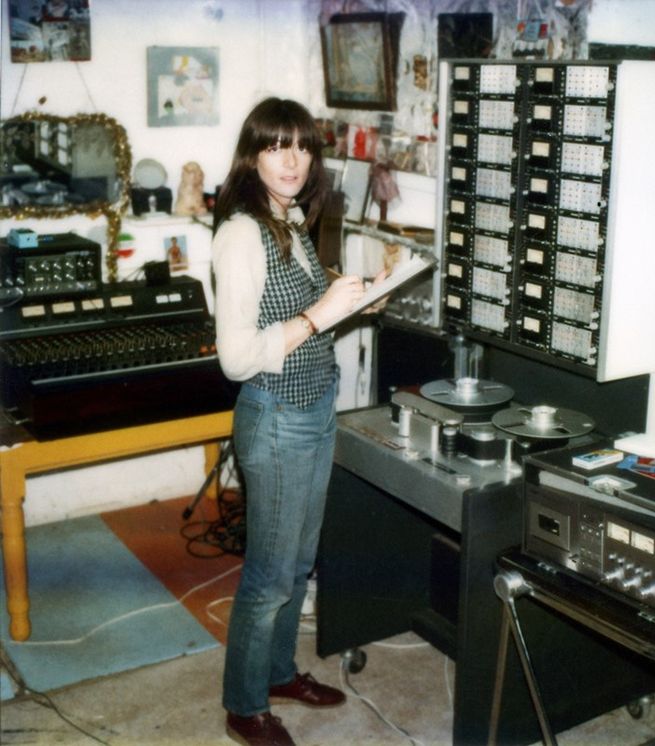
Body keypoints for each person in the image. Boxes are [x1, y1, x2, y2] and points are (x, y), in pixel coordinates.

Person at [211, 97, 383, 746]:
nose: (293, 159)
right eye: (278, 145)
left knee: (299, 561)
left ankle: (279, 672)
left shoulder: (287, 218)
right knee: (268, 575)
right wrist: (318, 315)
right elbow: (237, 356)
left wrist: (356, 298)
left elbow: (304, 315)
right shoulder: (240, 234)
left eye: (304, 146)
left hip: (313, 408)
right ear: (253, 155)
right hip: (276, 416)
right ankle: (244, 705)